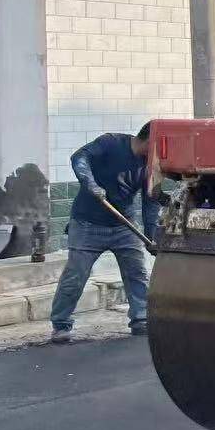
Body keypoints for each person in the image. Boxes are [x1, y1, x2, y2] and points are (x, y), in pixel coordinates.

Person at [49, 123, 161, 344]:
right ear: (148, 140)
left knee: (137, 273)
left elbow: (151, 202)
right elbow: (78, 157)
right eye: (158, 146)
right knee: (75, 275)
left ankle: (141, 319)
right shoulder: (111, 143)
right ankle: (61, 324)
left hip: (124, 226)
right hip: (87, 224)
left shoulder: (152, 165)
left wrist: (151, 236)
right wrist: (90, 184)